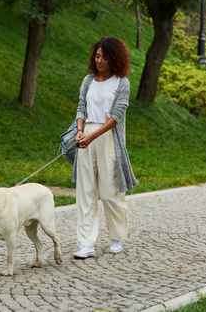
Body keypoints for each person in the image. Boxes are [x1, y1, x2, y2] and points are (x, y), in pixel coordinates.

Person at [72, 37, 138, 259]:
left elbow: (117, 116)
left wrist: (92, 136)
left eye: (105, 57)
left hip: (108, 138)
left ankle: (117, 236)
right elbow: (81, 107)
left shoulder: (122, 83)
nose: (99, 61)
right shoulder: (88, 81)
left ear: (115, 59)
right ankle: (86, 243)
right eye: (97, 56)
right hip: (85, 139)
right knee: (86, 192)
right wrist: (80, 131)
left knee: (110, 192)